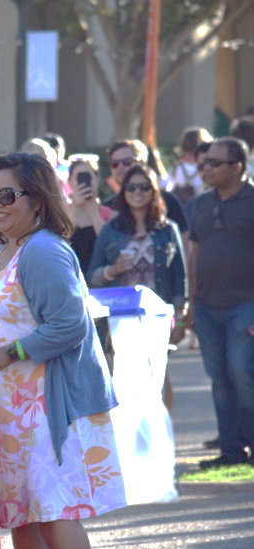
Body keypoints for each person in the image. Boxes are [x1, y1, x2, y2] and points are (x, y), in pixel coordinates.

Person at [0, 152, 126, 549]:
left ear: (39, 200)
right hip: (10, 409)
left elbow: (70, 325)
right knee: (23, 515)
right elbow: (4, 330)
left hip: (48, 406)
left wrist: (9, 354)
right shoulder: (6, 251)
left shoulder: (43, 250)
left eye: (8, 194)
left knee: (55, 509)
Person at [88, 164, 187, 410]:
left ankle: (162, 434)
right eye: (131, 187)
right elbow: (92, 275)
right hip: (121, 316)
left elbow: (180, 276)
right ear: (123, 192)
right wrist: (113, 270)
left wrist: (181, 317)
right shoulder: (111, 230)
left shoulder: (168, 230)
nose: (137, 192)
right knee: (123, 376)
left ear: (153, 191)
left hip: (156, 315)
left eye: (144, 187)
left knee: (159, 374)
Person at [187, 137, 254, 469]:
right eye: (204, 162)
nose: (206, 168)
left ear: (237, 168)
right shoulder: (200, 204)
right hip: (207, 306)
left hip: (246, 304)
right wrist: (191, 303)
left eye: (214, 163)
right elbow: (195, 253)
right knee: (219, 377)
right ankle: (230, 451)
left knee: (243, 372)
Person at [105, 139, 189, 241]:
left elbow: (184, 241)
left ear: (142, 163)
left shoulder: (167, 201)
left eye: (127, 162)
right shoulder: (107, 207)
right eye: (115, 164)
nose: (120, 167)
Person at [66, 155, 112, 275]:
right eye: (79, 178)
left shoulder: (110, 215)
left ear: (97, 180)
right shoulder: (61, 213)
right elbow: (56, 243)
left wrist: (93, 213)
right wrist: (75, 210)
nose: (84, 183)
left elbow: (110, 248)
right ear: (69, 182)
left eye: (88, 177)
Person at [168, 126, 212, 205]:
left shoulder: (176, 166)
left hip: (180, 206)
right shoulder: (208, 168)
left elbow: (169, 186)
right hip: (201, 205)